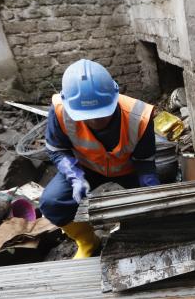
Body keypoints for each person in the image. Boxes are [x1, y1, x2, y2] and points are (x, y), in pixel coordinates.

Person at [40, 59, 160, 259]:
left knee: (161, 199)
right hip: (85, 168)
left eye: (101, 114)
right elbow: (57, 149)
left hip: (127, 168)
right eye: (87, 116)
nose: (95, 121)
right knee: (52, 202)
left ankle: (147, 234)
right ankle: (88, 241)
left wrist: (151, 187)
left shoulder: (139, 115)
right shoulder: (61, 110)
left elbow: (145, 161)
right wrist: (73, 175)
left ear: (115, 97)